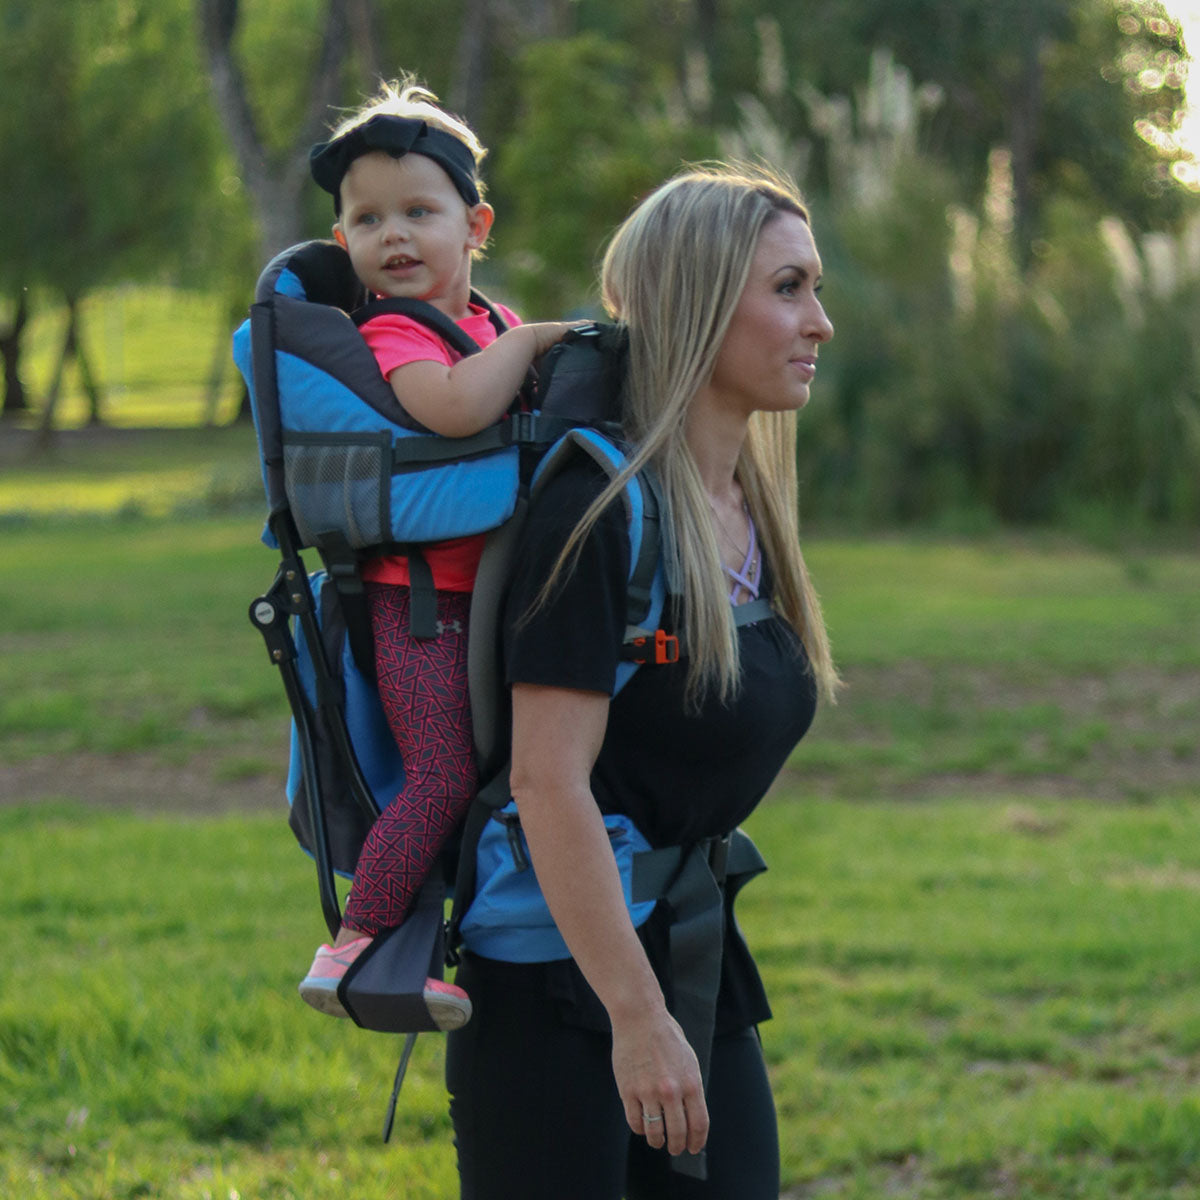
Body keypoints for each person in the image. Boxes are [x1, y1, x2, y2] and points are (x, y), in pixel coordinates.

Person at [445, 162, 839, 1198]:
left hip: (688, 953)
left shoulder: (746, 500)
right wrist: (635, 1017)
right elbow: (548, 783)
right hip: (559, 990)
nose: (820, 323)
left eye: (815, 288)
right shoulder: (600, 509)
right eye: (789, 289)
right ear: (702, 303)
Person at [296, 79, 580, 1028]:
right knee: (441, 776)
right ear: (346, 245)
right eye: (368, 219)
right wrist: (541, 338)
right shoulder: (391, 330)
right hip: (416, 608)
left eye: (420, 210)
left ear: (476, 224)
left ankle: (432, 946)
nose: (396, 236)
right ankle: (353, 943)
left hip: (485, 603)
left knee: (493, 775)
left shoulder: (489, 326)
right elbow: (451, 407)